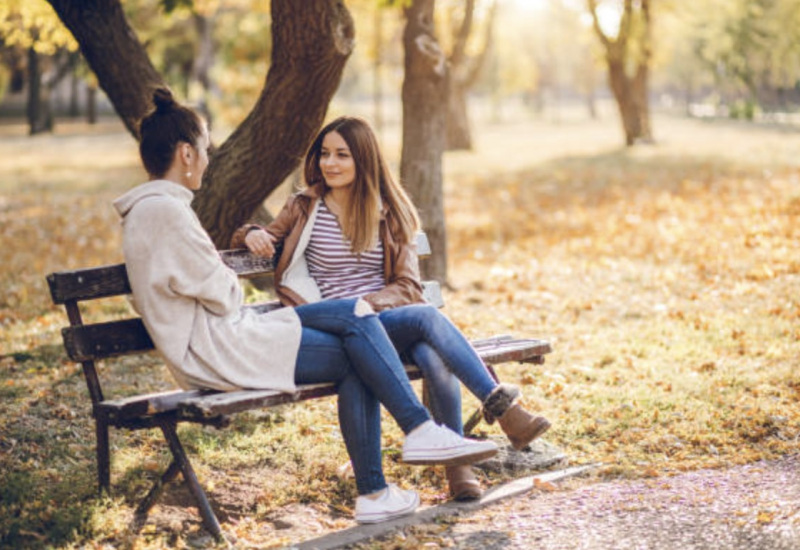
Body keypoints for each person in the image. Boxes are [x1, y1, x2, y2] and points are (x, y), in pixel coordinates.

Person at [113, 89, 499, 525]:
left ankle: (393, 469)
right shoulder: (167, 213)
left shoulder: (155, 210)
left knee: (355, 318)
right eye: (204, 149)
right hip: (223, 347)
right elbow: (225, 294)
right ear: (185, 153)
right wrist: (231, 265)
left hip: (225, 338)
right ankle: (404, 450)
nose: (207, 159)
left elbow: (203, 284)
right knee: (359, 344)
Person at [231, 115, 552, 501]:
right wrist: (251, 234)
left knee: (432, 353)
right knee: (428, 324)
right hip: (335, 326)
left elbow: (407, 286)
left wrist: (370, 304)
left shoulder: (389, 211)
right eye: (324, 154)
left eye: (342, 155)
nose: (329, 164)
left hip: (383, 319)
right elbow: (254, 235)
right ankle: (499, 417)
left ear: (363, 160)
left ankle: (460, 462)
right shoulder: (303, 206)